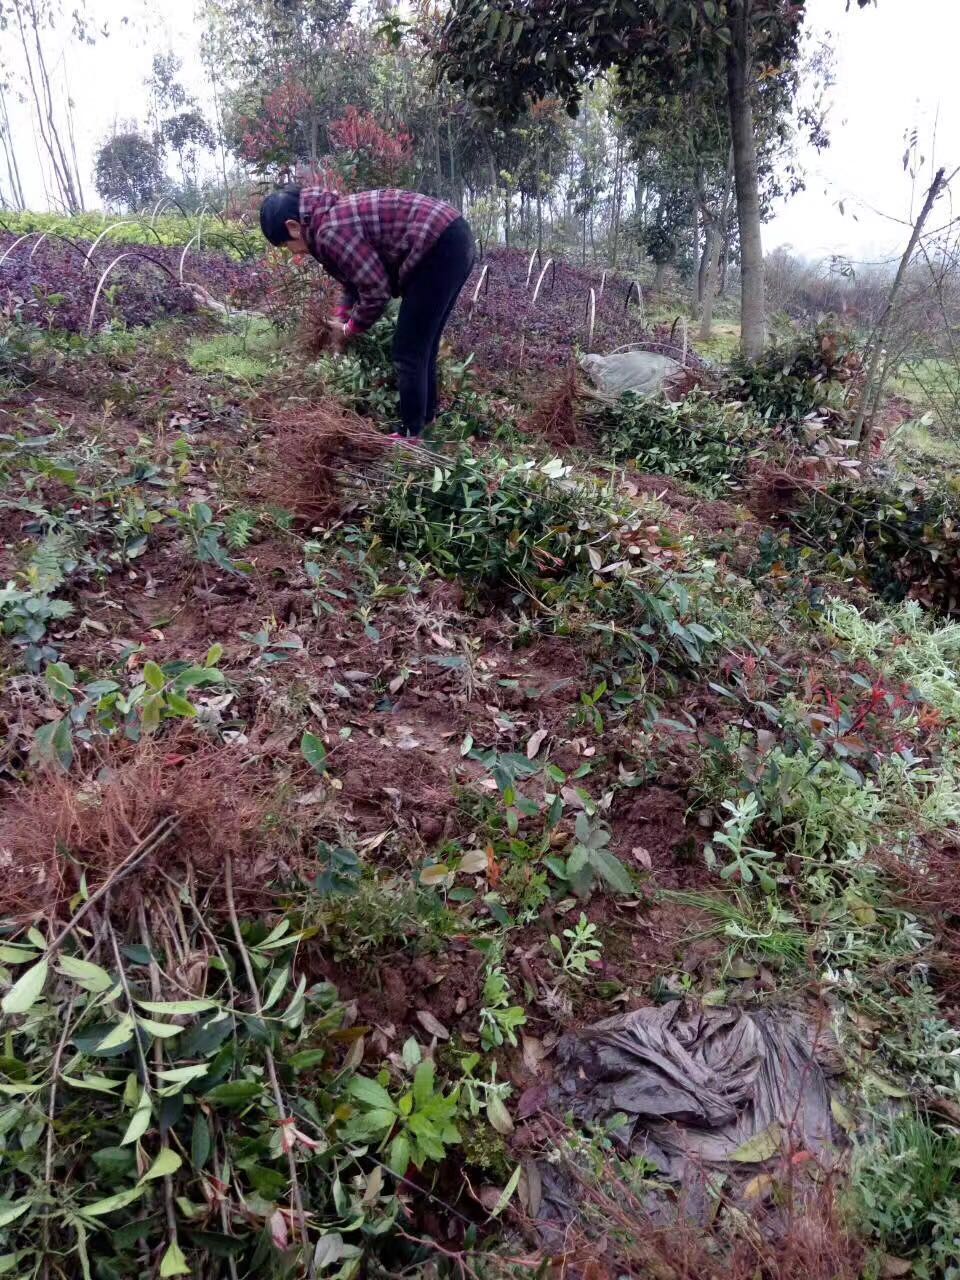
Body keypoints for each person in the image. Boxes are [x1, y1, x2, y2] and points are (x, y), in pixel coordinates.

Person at [259, 185, 475, 440]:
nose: (295, 252)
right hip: (451, 235)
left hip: (438, 245)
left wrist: (351, 328)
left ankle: (410, 436)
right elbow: (353, 278)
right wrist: (342, 314)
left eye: (286, 245)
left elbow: (375, 289)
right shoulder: (326, 219)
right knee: (422, 346)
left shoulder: (329, 231)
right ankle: (425, 425)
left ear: (293, 227)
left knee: (407, 351)